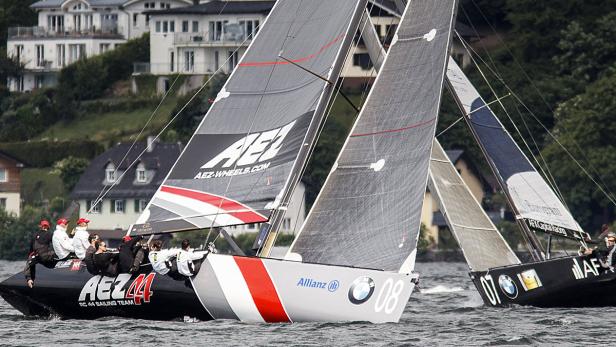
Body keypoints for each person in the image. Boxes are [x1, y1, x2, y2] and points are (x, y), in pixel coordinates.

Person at [24, 220, 56, 288]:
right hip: (47, 258)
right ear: (48, 227)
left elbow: (31, 250)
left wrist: (30, 257)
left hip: (37, 258)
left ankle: (30, 280)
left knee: (30, 262)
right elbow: (56, 245)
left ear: (41, 227)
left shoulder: (34, 235)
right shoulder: (50, 234)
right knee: (55, 255)